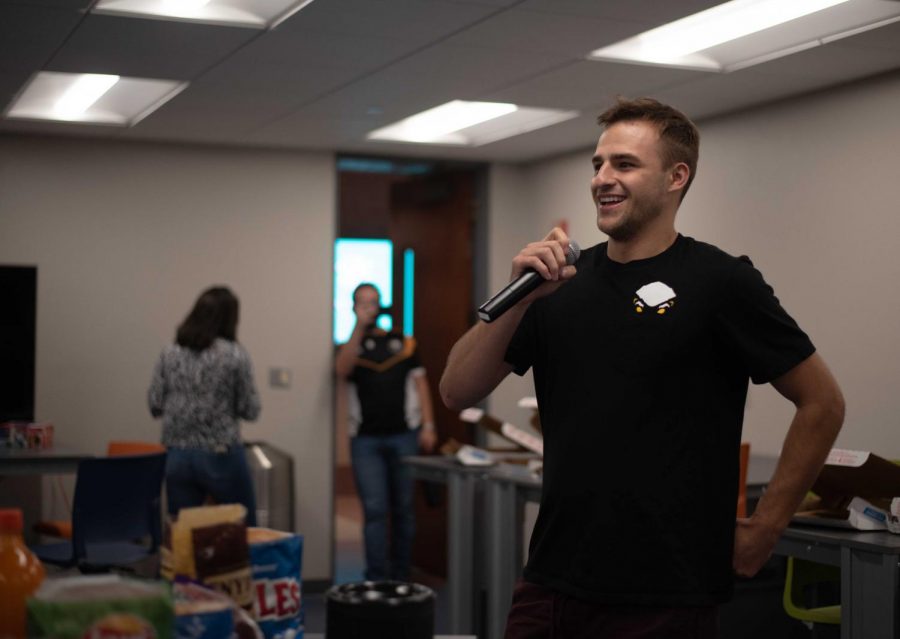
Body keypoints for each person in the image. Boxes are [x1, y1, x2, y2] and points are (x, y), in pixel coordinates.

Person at [440, 97, 845, 638]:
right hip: (551, 584)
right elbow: (455, 390)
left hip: (665, 594)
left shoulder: (721, 282)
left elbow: (823, 402)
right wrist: (518, 300)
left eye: (624, 164)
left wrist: (766, 527)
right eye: (598, 164)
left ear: (677, 177)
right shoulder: (556, 285)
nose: (603, 179)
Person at [335, 283, 437, 581]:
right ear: (354, 306)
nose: (368, 306)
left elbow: (422, 385)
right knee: (375, 510)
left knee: (404, 509)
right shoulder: (350, 344)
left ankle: (401, 575)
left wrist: (429, 425)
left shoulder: (404, 342)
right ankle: (376, 578)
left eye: (373, 301)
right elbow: (341, 370)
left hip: (405, 435)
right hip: (365, 440)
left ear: (381, 304)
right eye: (362, 302)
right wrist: (358, 327)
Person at [148, 286, 261, 525]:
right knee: (241, 529)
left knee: (184, 536)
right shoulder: (235, 355)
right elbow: (250, 409)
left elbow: (155, 403)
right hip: (220, 454)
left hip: (177, 455)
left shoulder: (170, 353)